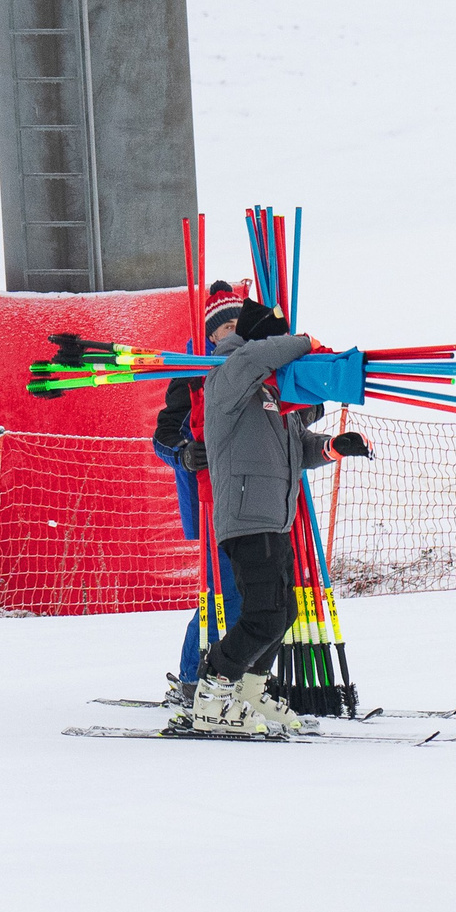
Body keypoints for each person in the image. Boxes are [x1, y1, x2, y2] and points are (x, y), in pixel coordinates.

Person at [189, 300, 371, 736]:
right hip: (246, 516)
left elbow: (298, 448)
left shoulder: (273, 393)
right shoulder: (226, 376)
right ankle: (211, 695)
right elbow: (252, 356)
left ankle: (250, 689)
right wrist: (304, 342)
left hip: (275, 516)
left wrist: (333, 447)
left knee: (283, 611)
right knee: (264, 615)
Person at [149, 285, 250, 708]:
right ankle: (193, 678)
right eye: (225, 327)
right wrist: (185, 453)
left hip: (258, 493)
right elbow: (163, 437)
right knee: (223, 592)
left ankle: (244, 678)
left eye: (239, 324)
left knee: (260, 592)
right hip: (212, 497)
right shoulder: (192, 370)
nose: (233, 332)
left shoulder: (257, 362)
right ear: (210, 335)